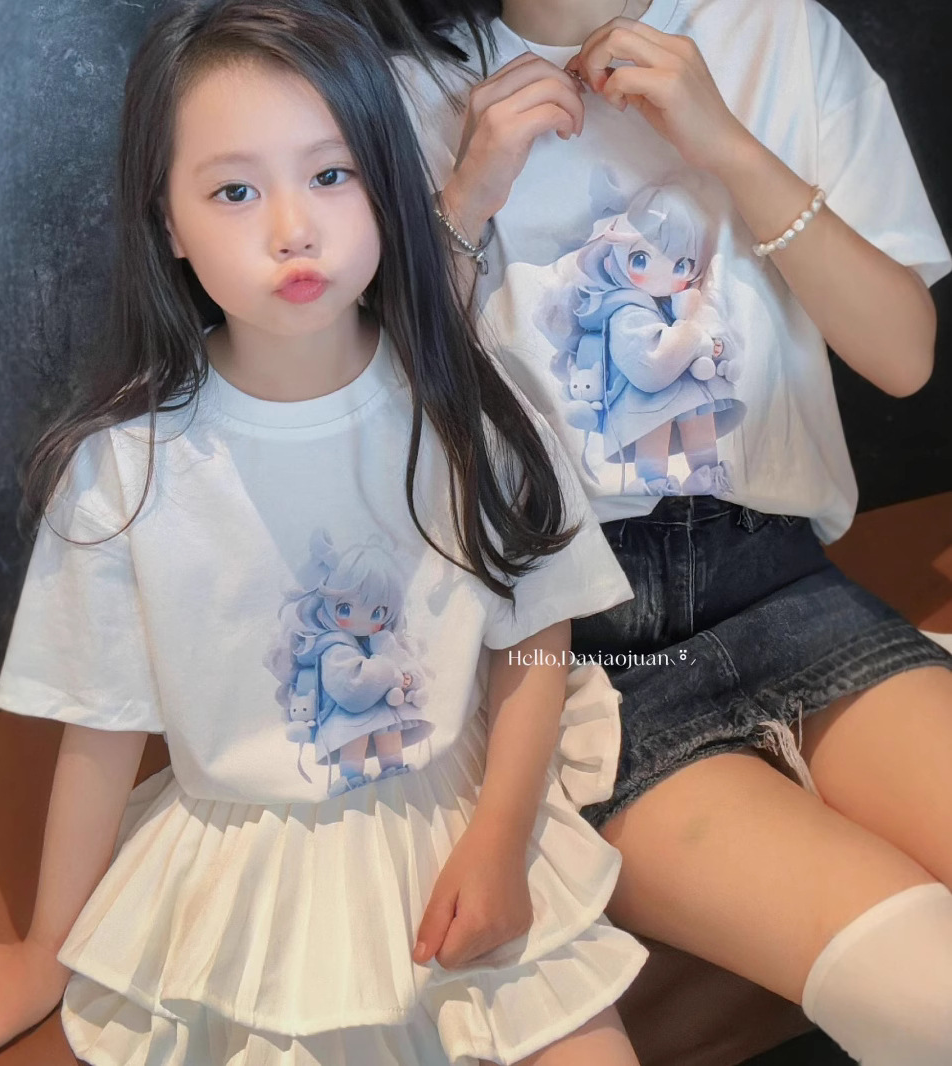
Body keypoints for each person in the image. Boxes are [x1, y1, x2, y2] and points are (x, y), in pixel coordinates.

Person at [0, 2, 652, 1065]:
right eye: (234, 191)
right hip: (244, 877)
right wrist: (42, 951)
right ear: (168, 221)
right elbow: (101, 726)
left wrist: (498, 840)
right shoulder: (128, 471)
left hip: (459, 821)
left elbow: (535, 630)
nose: (292, 229)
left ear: (386, 182)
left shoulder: (464, 403)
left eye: (331, 174)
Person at [354, 0, 952, 1062]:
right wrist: (465, 200)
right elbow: (363, 432)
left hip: (784, 584)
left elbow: (903, 356)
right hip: (574, 655)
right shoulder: (400, 88)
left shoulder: (777, 32)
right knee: (925, 988)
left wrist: (726, 144)